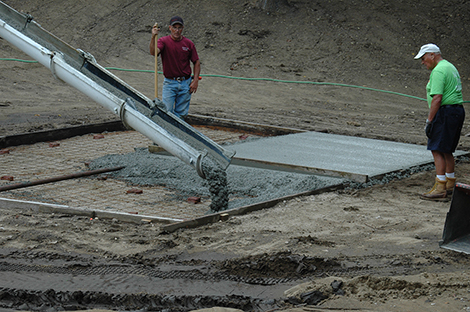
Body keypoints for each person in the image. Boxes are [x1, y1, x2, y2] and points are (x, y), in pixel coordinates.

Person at [414, 43, 465, 200]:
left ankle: (440, 187)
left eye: (423, 58)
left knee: (436, 148)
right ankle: (450, 183)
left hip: (445, 113)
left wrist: (430, 121)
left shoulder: (438, 71)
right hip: (456, 111)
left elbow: (437, 97)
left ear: (432, 55)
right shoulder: (449, 66)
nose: (423, 62)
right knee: (447, 149)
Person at [149, 16, 200, 119]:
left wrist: (195, 80)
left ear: (182, 28)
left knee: (181, 114)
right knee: (166, 111)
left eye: (179, 28)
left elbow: (196, 62)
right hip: (170, 83)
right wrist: (153, 37)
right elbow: (154, 52)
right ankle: (166, 133)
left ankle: (177, 133)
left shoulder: (188, 44)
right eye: (174, 27)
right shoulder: (163, 41)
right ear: (170, 28)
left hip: (186, 83)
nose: (177, 30)